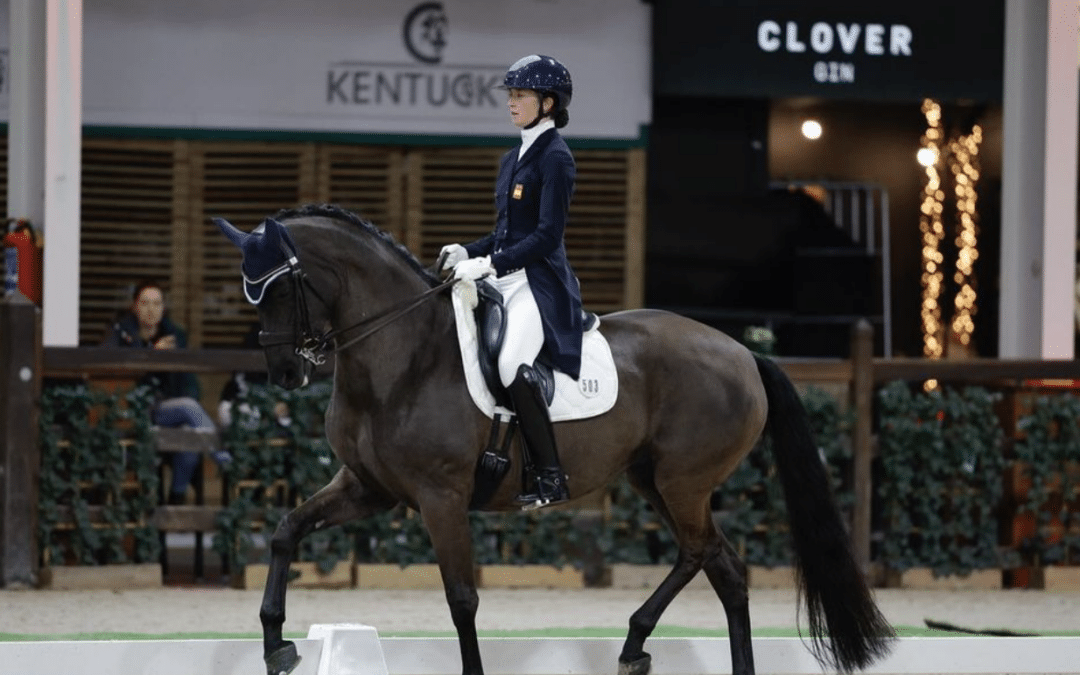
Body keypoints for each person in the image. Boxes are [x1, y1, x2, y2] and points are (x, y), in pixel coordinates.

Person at [439, 54, 581, 509]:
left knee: (509, 366)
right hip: (503, 276)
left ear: (547, 102)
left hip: (536, 283)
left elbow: (546, 237)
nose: (512, 103)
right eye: (511, 95)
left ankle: (550, 476)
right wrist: (469, 250)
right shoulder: (511, 157)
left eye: (520, 95)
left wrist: (490, 264)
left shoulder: (556, 158)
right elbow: (505, 233)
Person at [102, 280, 227, 504]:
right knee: (188, 407)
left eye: (157, 304)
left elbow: (189, 382)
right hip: (134, 411)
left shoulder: (174, 335)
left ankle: (176, 497)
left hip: (166, 410)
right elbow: (108, 368)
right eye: (145, 303)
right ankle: (224, 460)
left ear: (163, 308)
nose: (151, 309)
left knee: (189, 431)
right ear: (135, 306)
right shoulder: (120, 332)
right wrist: (151, 353)